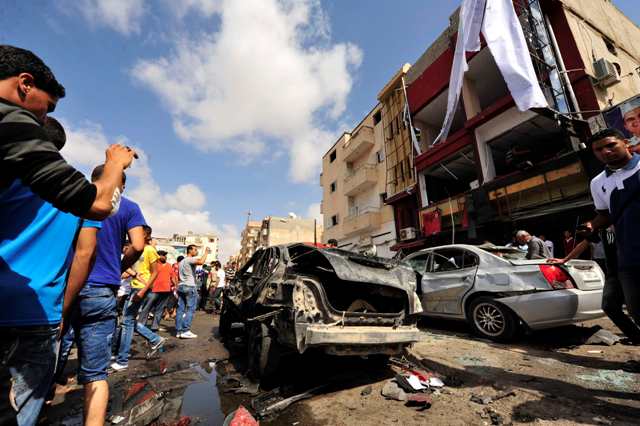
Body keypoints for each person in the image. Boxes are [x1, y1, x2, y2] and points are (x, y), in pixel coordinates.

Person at [0, 158, 102, 424]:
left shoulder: (11, 174)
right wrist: (64, 307)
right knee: (23, 406)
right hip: (41, 308)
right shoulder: (74, 190)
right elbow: (85, 252)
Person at [54, 166, 146, 425]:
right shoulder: (129, 207)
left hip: (65, 285)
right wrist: (119, 267)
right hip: (102, 288)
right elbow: (138, 245)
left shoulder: (73, 196)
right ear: (121, 185)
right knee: (96, 374)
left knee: (50, 355)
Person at [0, 45, 135, 220]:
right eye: (48, 107)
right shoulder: (11, 120)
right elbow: (97, 204)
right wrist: (115, 163)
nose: (43, 120)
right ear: (26, 84)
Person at [554, 128, 640, 344]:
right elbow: (604, 215)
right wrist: (592, 225)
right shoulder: (597, 182)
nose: (606, 152)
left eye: (611, 145)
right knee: (635, 309)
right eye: (599, 149)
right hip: (627, 257)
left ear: (626, 143)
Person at [550, 224, 640, 344]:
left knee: (635, 308)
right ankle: (636, 337)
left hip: (632, 268)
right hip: (613, 272)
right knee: (609, 305)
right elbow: (584, 244)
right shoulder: (601, 228)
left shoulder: (627, 219)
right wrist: (565, 259)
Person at [112, 226, 165, 370]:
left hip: (140, 289)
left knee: (127, 321)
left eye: (138, 232)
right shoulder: (134, 249)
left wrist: (143, 291)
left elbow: (155, 273)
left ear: (146, 235)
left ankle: (122, 360)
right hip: (133, 287)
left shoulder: (149, 250)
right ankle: (155, 339)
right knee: (128, 321)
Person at [176, 245, 210, 338]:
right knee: (191, 308)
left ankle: (179, 331)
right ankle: (185, 330)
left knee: (180, 309)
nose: (196, 252)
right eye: (195, 250)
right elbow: (201, 262)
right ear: (190, 250)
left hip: (181, 286)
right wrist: (206, 252)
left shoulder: (181, 262)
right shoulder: (189, 259)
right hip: (189, 286)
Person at [138, 250, 173, 332]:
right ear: (158, 256)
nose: (164, 257)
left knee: (160, 309)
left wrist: (175, 286)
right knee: (146, 308)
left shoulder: (169, 265)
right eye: (162, 255)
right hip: (153, 289)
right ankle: (140, 326)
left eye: (165, 255)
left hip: (166, 290)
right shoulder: (154, 265)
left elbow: (172, 276)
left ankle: (155, 327)